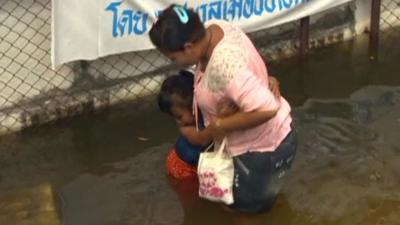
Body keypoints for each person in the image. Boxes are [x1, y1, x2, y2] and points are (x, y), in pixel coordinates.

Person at [150, 5, 297, 213]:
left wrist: (221, 123)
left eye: (174, 58)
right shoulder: (215, 27)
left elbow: (267, 108)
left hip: (260, 150)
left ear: (189, 47)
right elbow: (246, 68)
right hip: (271, 139)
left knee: (244, 213)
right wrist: (266, 80)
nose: (174, 64)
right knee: (253, 203)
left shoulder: (223, 66)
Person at [158, 70, 239, 179]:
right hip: (183, 165)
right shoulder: (185, 129)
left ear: (192, 106)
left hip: (200, 161)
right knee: (190, 191)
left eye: (179, 116)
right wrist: (221, 119)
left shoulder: (205, 109)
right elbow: (202, 139)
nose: (178, 122)